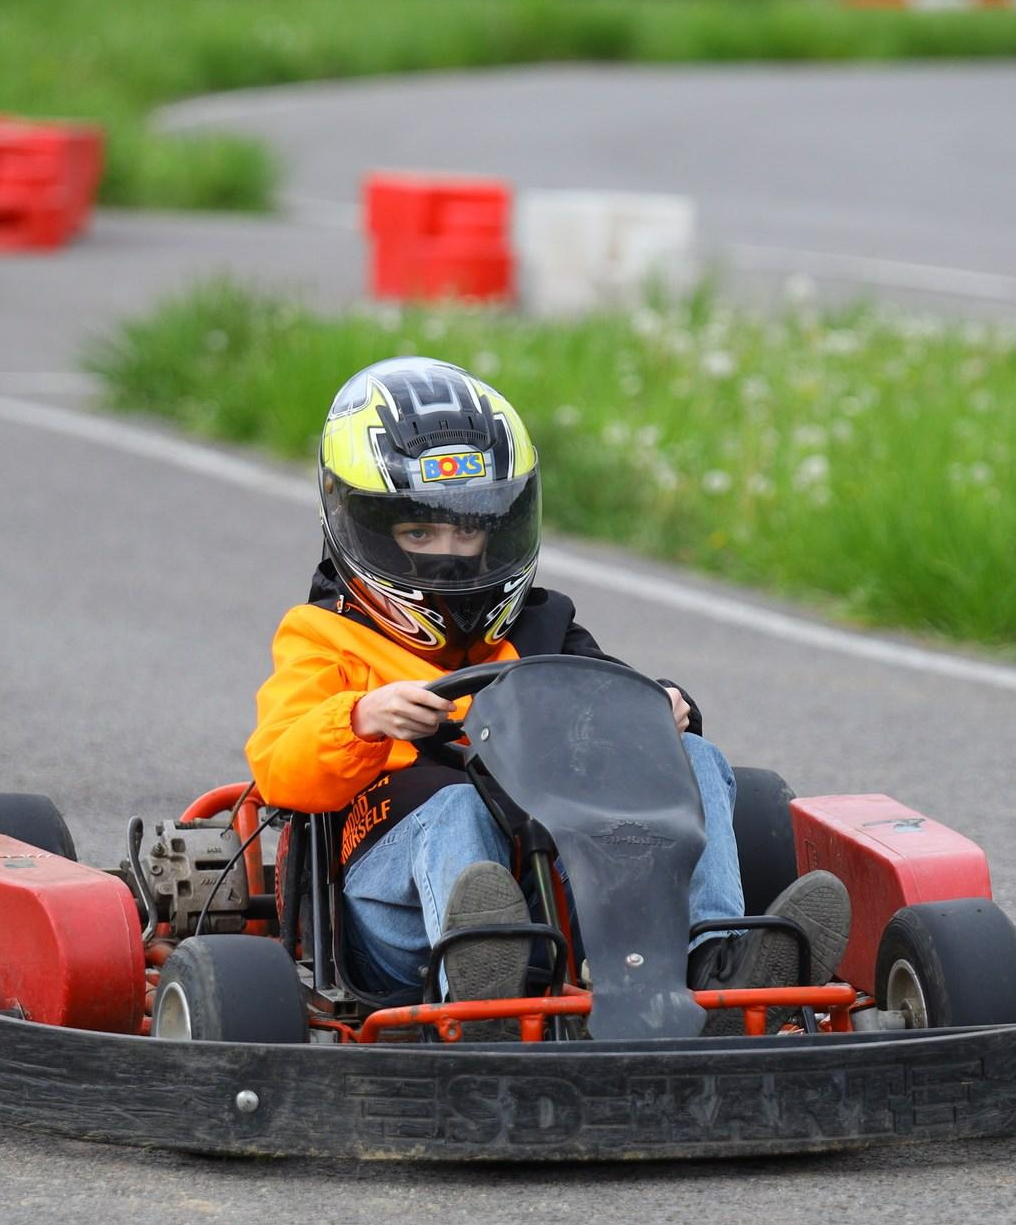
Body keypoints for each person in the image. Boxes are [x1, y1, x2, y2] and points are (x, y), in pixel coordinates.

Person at [245, 355, 849, 1003]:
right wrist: (362, 719)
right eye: (419, 531)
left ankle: (713, 964)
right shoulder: (324, 637)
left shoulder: (541, 627)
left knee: (692, 756)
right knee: (456, 807)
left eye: (466, 530)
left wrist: (662, 708)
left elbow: (615, 695)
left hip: (555, 899)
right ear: (361, 527)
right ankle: (482, 989)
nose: (448, 556)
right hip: (398, 921)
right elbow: (279, 767)